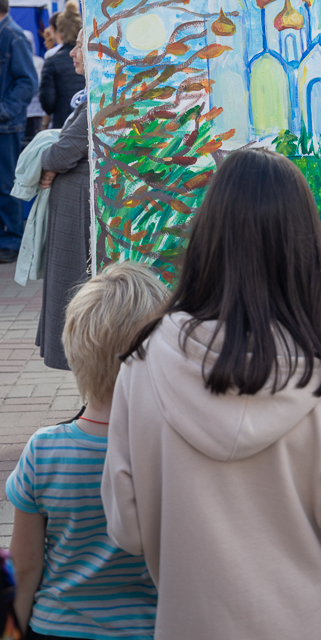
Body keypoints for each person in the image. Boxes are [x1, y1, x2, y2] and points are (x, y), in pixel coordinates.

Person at [101, 148, 321, 640]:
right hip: (310, 625)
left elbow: (127, 527)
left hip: (189, 625)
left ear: (207, 239)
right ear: (305, 248)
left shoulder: (144, 358)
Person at [6, 261, 165, 640]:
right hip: (149, 629)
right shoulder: (169, 453)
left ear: (73, 347)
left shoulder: (43, 451)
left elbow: (25, 566)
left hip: (57, 626)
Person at [36, 30, 89, 370]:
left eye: (80, 46)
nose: (72, 53)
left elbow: (62, 154)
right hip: (74, 201)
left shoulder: (97, 98)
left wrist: (47, 161)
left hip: (77, 205)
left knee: (73, 289)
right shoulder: (89, 96)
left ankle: (87, 379)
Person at [0, 0, 39, 264]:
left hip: (6, 127)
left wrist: (4, 111)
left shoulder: (12, 36)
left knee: (6, 185)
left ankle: (12, 241)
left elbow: (28, 81)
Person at [39, 0, 85, 129]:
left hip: (63, 124)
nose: (73, 54)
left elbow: (47, 102)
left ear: (60, 34)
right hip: (85, 124)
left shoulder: (52, 61)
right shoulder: (91, 60)